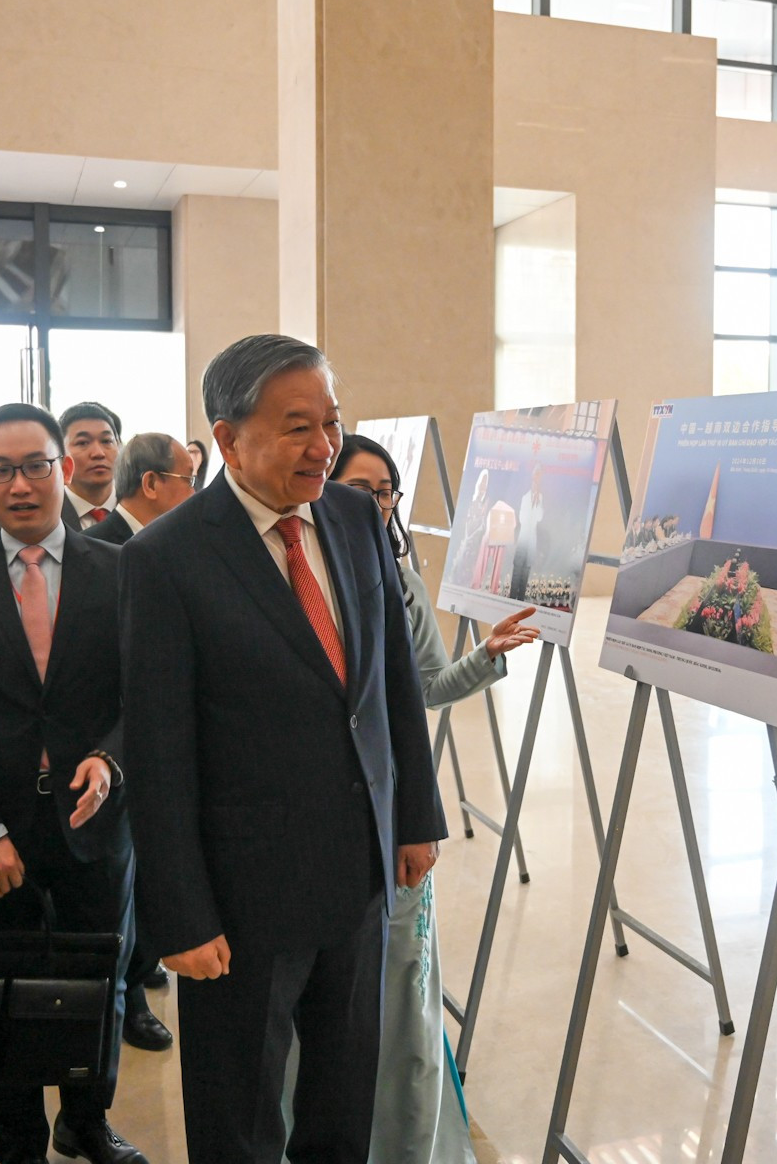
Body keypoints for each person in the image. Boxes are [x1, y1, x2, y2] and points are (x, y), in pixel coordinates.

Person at [120, 335, 445, 1163]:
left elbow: (391, 683)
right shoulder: (166, 558)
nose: (324, 447)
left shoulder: (351, 516)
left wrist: (415, 816)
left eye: (331, 423)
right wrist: (182, 915)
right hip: (243, 898)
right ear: (226, 440)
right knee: (239, 1115)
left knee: (343, 1098)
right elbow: (160, 751)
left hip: (359, 870)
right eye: (298, 426)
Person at [0, 403, 144, 1164]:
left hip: (94, 820)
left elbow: (145, 694)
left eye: (36, 465)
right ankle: (15, 1145)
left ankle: (86, 1120)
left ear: (65, 470)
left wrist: (110, 758)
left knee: (96, 982)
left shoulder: (121, 572)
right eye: (0, 470)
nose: (21, 485)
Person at [319, 433, 535, 1164]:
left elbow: (432, 688)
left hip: (391, 819)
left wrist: (486, 654)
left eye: (387, 491)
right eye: (360, 488)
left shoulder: (403, 582)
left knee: (400, 995)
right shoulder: (291, 574)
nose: (377, 504)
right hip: (314, 820)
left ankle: (404, 1143)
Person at [86, 432, 193, 1052]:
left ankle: (145, 964)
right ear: (152, 484)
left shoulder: (172, 546)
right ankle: (126, 1003)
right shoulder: (108, 551)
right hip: (121, 744)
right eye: (188, 480)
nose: (197, 494)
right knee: (125, 884)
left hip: (166, 737)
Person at [88, 432, 196, 546]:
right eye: (189, 480)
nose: (194, 493)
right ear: (151, 484)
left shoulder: (172, 541)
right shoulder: (90, 550)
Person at [59, 401, 123, 531]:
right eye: (83, 443)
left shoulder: (140, 508)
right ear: (59, 452)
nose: (98, 453)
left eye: (106, 441)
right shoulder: (47, 517)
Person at [510, 460, 548, 602]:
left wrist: (537, 502)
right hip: (522, 540)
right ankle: (512, 599)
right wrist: (532, 502)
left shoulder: (540, 498)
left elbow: (539, 518)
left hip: (532, 540)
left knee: (526, 572)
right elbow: (522, 519)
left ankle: (520, 601)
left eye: (540, 476)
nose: (538, 479)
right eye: (536, 475)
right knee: (517, 571)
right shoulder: (525, 498)